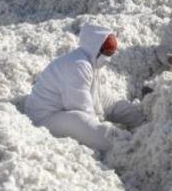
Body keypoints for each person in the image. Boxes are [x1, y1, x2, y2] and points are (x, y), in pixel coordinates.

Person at [25, 24, 144, 152]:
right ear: (95, 47)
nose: (108, 58)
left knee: (116, 105)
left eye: (111, 53)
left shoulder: (91, 62)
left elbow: (102, 99)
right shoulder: (78, 66)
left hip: (65, 110)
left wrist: (133, 114)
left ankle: (143, 124)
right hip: (45, 117)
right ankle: (128, 145)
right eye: (107, 52)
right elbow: (81, 108)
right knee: (85, 124)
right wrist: (98, 124)